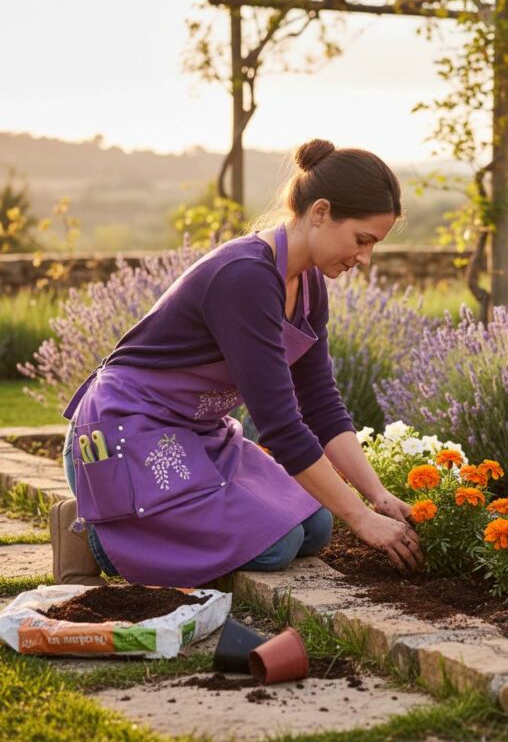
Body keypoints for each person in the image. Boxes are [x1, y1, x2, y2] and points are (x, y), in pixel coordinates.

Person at [52, 138, 423, 588]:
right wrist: (362, 521)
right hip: (124, 433)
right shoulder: (245, 276)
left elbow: (321, 405)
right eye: (362, 240)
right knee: (277, 546)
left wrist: (377, 498)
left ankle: (130, 519)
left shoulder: (309, 286)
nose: (364, 259)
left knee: (316, 527)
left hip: (199, 434)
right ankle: (95, 533)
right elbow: (282, 427)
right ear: (321, 212)